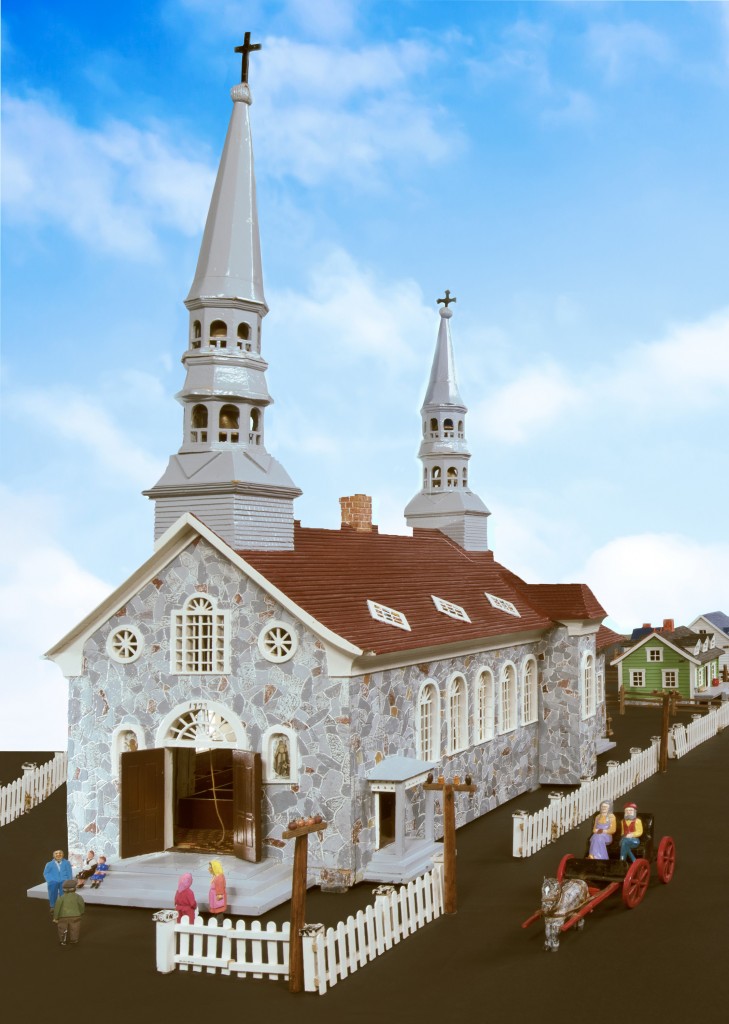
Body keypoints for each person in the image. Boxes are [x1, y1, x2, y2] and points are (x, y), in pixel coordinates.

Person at [53, 879, 85, 946]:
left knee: (62, 928)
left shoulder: (61, 898)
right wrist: (81, 912)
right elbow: (81, 906)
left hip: (62, 916)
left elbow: (57, 908)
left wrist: (55, 917)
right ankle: (74, 939)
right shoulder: (78, 897)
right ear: (74, 888)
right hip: (76, 915)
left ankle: (63, 940)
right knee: (75, 928)